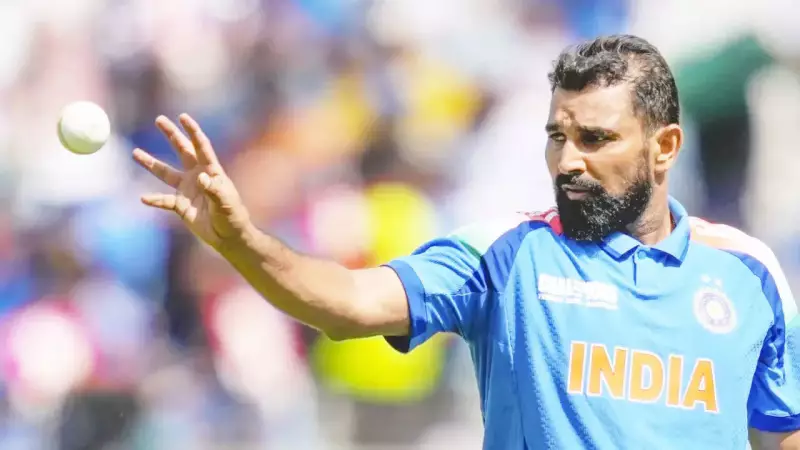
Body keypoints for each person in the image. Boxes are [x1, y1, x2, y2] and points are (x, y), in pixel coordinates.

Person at [132, 35, 800, 449]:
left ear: (665, 147)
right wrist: (243, 242)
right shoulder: (506, 252)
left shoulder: (746, 271)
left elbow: (782, 431)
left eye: (595, 139)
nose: (569, 161)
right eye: (557, 137)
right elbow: (349, 302)